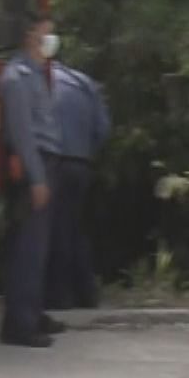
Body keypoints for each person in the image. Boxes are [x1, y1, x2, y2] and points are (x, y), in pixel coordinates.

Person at [0, 13, 68, 347]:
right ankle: (19, 325)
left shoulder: (38, 74)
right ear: (29, 36)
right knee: (28, 247)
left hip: (46, 162)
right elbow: (23, 135)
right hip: (31, 167)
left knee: (39, 247)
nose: (51, 40)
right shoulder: (16, 78)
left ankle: (33, 312)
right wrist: (38, 179)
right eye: (45, 33)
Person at [45, 55, 110, 310]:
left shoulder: (42, 82)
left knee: (55, 229)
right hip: (81, 164)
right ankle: (87, 293)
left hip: (54, 162)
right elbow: (103, 128)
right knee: (74, 228)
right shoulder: (84, 83)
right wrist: (86, 152)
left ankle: (58, 296)